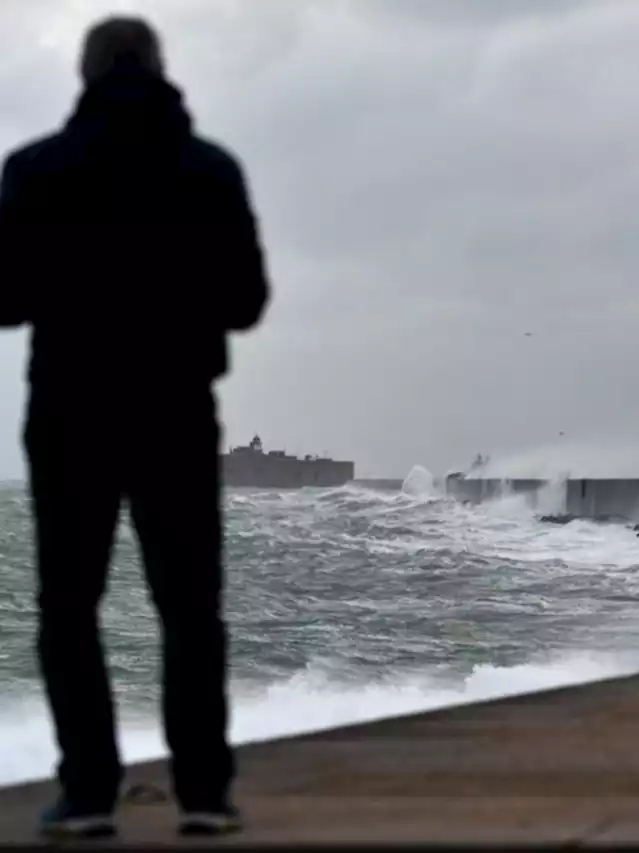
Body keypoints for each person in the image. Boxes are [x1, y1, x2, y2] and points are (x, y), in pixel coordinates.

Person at [0, 15, 270, 839]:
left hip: (71, 408)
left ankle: (87, 794)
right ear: (160, 69)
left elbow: (5, 302)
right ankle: (204, 793)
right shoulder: (208, 169)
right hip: (175, 407)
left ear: (84, 74)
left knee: (67, 605)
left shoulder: (35, 169)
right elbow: (246, 302)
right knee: (190, 607)